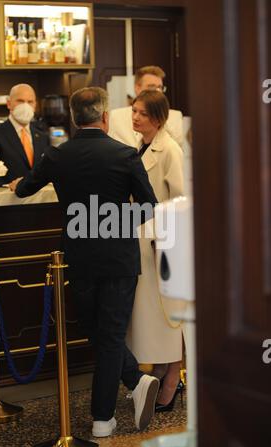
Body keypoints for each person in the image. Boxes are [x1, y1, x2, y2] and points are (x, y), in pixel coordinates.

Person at [9, 87, 160, 437]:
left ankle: (106, 414)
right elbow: (150, 205)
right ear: (105, 117)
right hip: (120, 258)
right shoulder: (124, 154)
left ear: (75, 119)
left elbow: (24, 190)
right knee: (106, 334)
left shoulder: (56, 155)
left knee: (96, 330)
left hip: (79, 258)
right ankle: (130, 388)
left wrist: (17, 182)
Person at [126, 89, 185, 412]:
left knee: (167, 314)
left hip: (162, 241)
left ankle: (174, 376)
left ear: (158, 118)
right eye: (133, 111)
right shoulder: (142, 145)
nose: (135, 117)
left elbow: (179, 198)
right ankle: (161, 369)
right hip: (143, 239)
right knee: (149, 313)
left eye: (142, 113)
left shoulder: (169, 150)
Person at [0, 83, 49, 186]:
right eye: (20, 101)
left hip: (40, 198)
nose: (25, 106)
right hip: (8, 199)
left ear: (35, 105)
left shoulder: (42, 136)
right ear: (9, 103)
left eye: (30, 102)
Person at [109, 65, 183, 148]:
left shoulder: (175, 117)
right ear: (137, 88)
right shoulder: (116, 116)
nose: (158, 91)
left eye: (160, 87)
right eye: (152, 87)